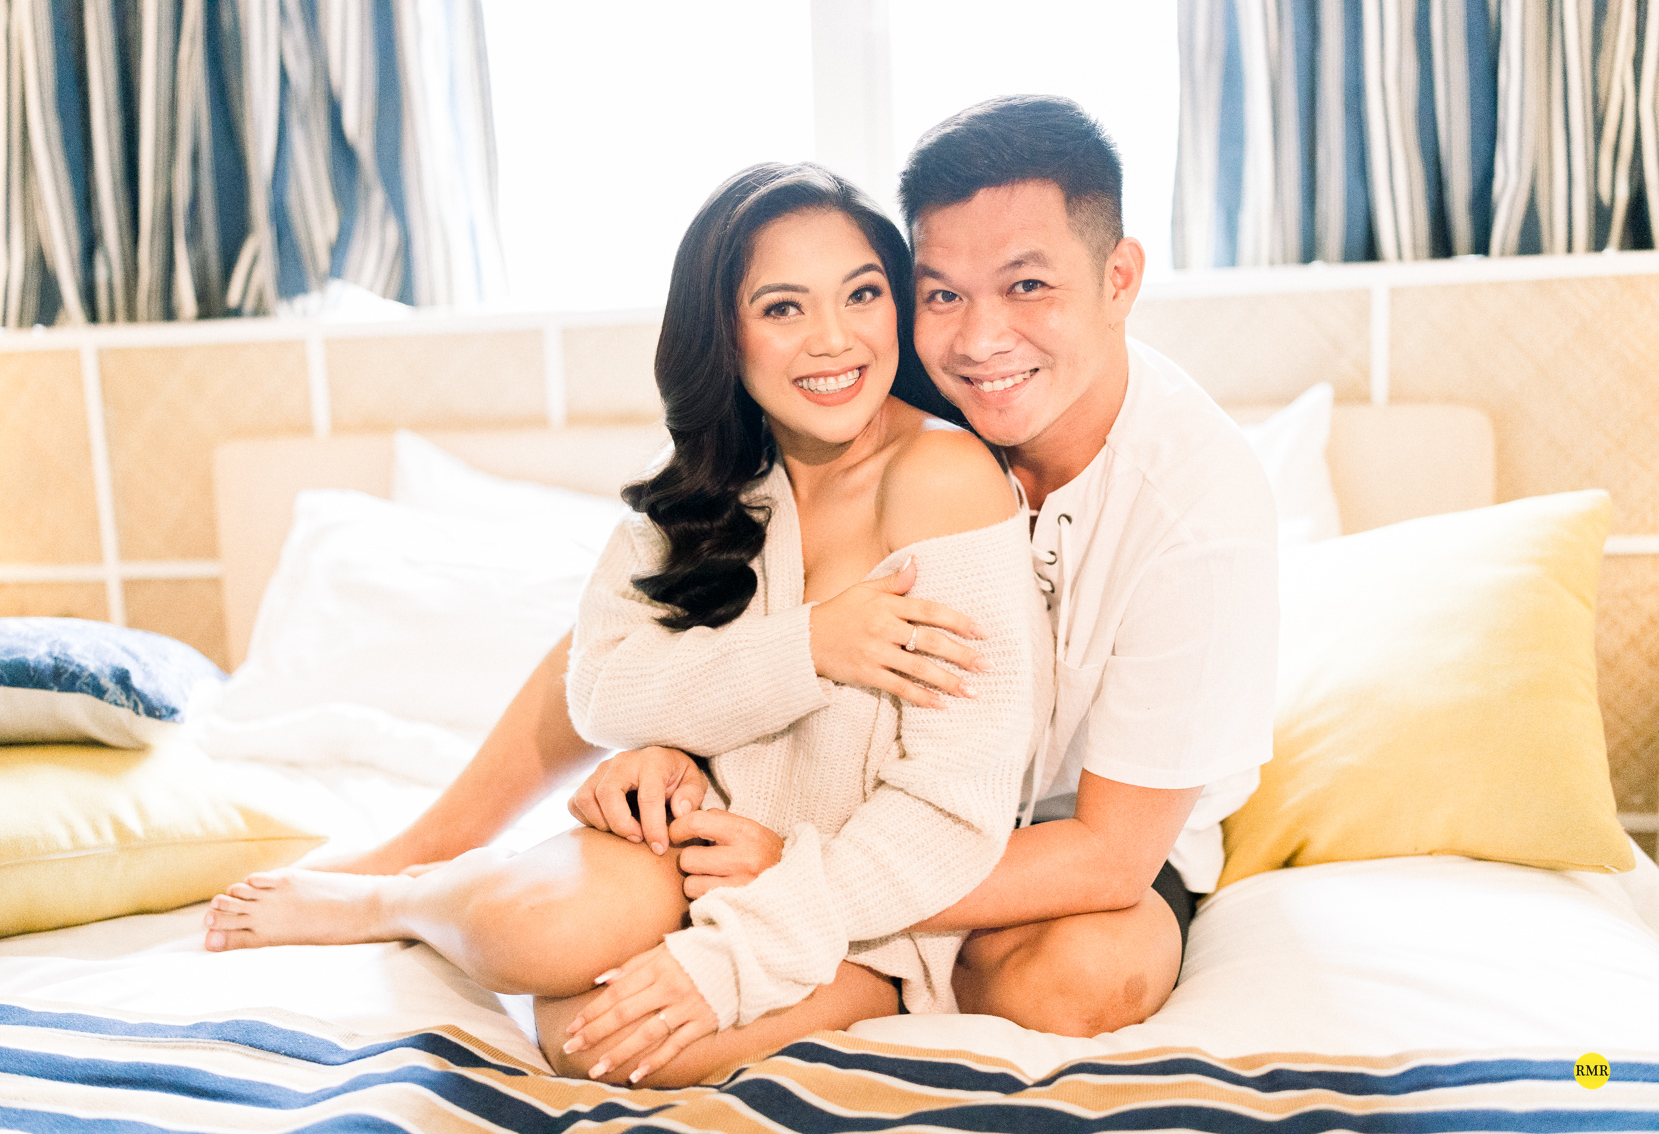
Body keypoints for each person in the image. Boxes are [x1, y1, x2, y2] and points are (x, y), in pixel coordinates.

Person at [312, 94, 1278, 1039]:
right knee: (570, 964)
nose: (981, 340)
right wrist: (659, 741)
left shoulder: (1192, 509)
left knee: (1078, 980)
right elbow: (636, 644)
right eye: (942, 292)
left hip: (1071, 843)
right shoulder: (853, 415)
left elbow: (1109, 857)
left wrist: (796, 876)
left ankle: (862, 967)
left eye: (1028, 286)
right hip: (836, 812)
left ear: (1119, 279)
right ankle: (422, 868)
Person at [202, 162, 1053, 1088]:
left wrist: (732, 960)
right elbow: (601, 689)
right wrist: (807, 648)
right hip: (688, 847)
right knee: (541, 937)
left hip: (859, 908)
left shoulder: (944, 480)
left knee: (593, 1045)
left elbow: (952, 804)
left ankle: (859, 987)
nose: (834, 339)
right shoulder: (706, 482)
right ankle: (405, 898)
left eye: (863, 294)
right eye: (782, 307)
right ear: (723, 331)